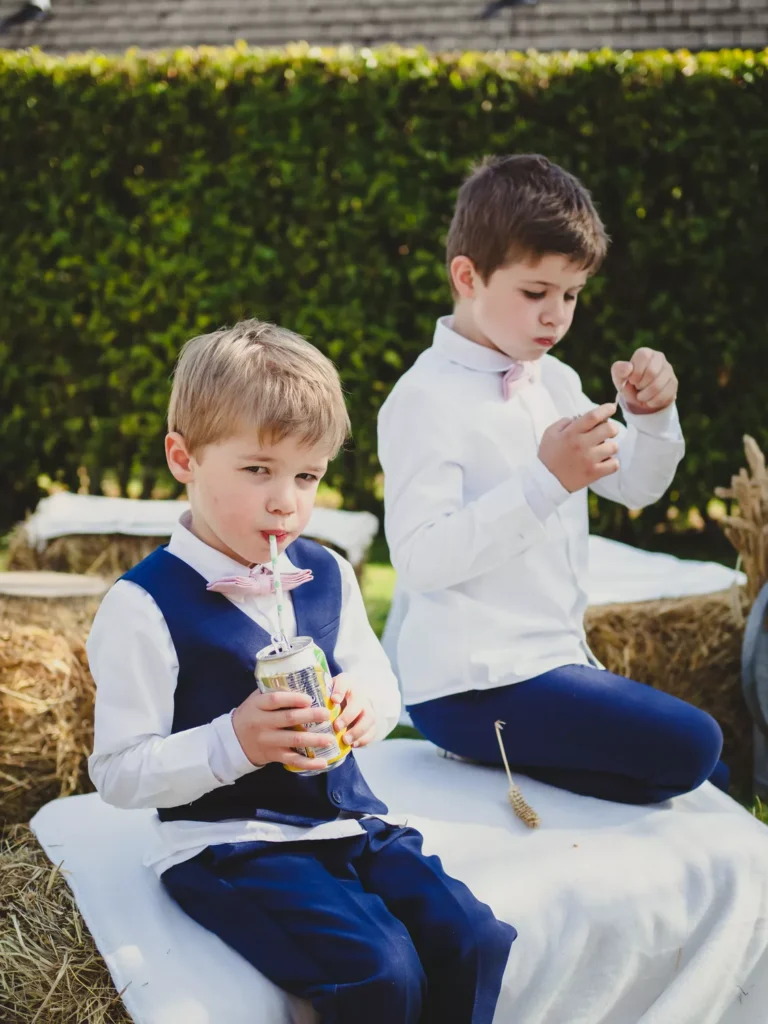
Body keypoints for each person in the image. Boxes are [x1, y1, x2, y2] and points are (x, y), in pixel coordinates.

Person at [87, 318, 515, 1024]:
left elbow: (379, 679)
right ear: (183, 457)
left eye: (307, 475)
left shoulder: (327, 571)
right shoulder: (142, 605)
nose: (286, 499)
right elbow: (119, 772)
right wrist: (234, 741)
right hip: (228, 843)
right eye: (258, 469)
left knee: (475, 936)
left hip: (348, 822)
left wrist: (364, 706)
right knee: (382, 971)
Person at [378, 154, 728, 805]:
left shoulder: (557, 381)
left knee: (709, 772)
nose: (555, 316)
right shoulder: (423, 399)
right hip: (470, 685)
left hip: (554, 663)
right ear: (468, 275)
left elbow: (635, 487)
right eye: (535, 293)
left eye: (570, 295)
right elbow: (420, 559)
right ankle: (492, 756)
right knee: (696, 748)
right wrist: (543, 481)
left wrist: (652, 420)